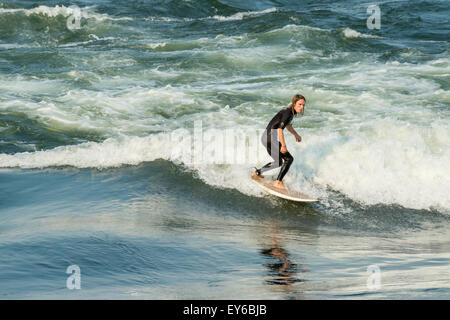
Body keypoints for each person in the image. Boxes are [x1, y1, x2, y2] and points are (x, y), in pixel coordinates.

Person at [252, 94, 305, 190]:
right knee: (289, 159)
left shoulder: (290, 112)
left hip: (266, 137)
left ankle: (257, 173)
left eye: (303, 105)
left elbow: (288, 126)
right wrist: (283, 146)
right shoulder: (288, 113)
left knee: (278, 162)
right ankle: (278, 182)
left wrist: (296, 134)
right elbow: (280, 129)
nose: (302, 107)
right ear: (294, 103)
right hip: (270, 138)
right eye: (299, 104)